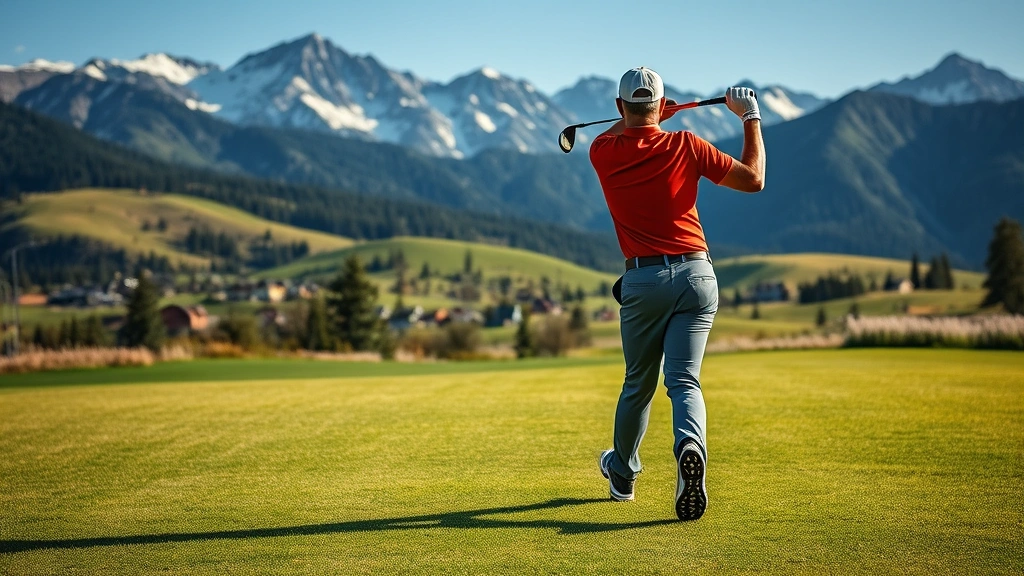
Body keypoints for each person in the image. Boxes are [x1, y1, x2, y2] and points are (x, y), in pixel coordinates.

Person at [590, 67, 765, 521]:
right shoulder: (685, 143)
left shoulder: (602, 151)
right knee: (684, 380)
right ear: (662, 106)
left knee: (638, 385)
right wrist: (750, 117)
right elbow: (753, 178)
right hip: (697, 277)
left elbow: (625, 128)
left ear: (618, 107)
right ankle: (690, 445)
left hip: (643, 282)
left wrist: (645, 116)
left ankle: (623, 475)